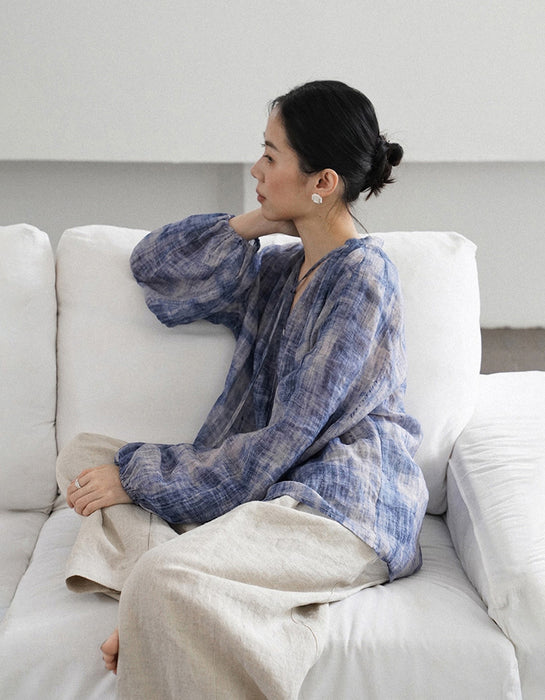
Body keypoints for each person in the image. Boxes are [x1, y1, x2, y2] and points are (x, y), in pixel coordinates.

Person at [58, 80, 428, 699]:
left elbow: (287, 438)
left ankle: (160, 598)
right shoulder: (282, 269)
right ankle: (175, 606)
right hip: (274, 491)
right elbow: (156, 268)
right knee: (84, 456)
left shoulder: (362, 280)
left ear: (323, 181)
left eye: (271, 155)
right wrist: (255, 221)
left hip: (344, 506)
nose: (255, 168)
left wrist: (143, 477)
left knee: (161, 574)